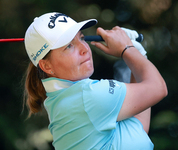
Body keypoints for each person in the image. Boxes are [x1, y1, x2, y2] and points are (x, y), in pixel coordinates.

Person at [23, 12, 167, 150]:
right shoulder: (88, 96)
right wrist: (127, 49)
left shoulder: (64, 100)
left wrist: (135, 52)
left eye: (81, 38)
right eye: (69, 46)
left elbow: (137, 129)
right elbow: (158, 89)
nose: (84, 48)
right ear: (46, 66)